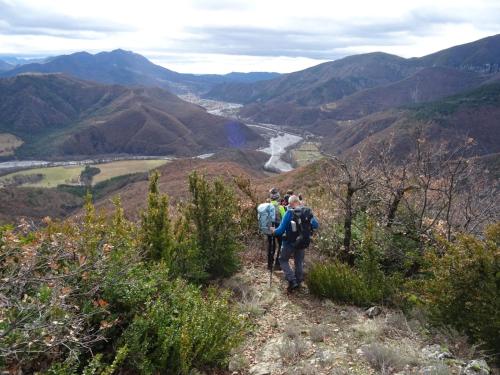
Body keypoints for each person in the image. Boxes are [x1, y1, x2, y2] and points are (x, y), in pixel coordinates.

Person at [272, 195, 319, 292]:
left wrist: (273, 231)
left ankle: (292, 281)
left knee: (283, 260)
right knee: (299, 262)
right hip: (302, 242)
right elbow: (315, 225)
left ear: (290, 203)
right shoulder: (307, 212)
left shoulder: (289, 213)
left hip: (289, 243)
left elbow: (280, 231)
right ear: (299, 202)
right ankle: (299, 281)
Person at [267, 188, 286, 271]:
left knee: (271, 246)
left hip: (269, 228)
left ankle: (269, 264)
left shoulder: (266, 206)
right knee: (281, 245)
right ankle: (277, 264)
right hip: (279, 228)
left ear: (270, 198)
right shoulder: (281, 207)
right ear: (278, 197)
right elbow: (285, 219)